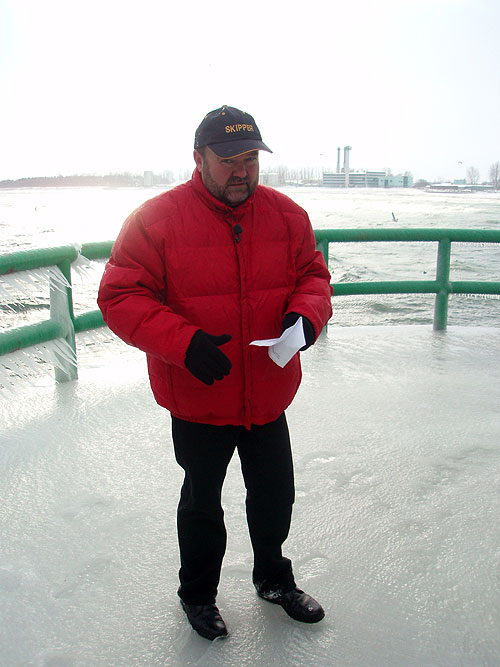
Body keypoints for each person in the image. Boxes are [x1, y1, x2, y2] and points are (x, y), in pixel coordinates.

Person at [98, 105, 333, 641]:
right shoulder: (155, 220)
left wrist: (306, 315)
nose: (240, 170)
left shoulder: (288, 216)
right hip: (200, 395)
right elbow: (120, 295)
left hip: (268, 392)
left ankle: (273, 580)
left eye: (249, 157)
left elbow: (313, 277)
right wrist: (184, 343)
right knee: (202, 505)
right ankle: (198, 596)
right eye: (227, 158)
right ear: (198, 158)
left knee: (275, 495)